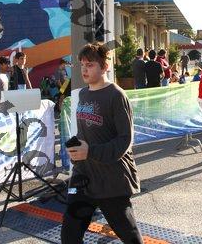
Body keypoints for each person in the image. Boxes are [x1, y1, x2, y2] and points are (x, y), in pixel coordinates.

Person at [61, 42, 143, 244]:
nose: (84, 69)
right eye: (82, 65)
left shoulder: (116, 95)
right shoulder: (83, 93)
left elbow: (125, 140)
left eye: (90, 65)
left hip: (111, 179)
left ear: (105, 67)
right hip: (83, 176)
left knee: (130, 236)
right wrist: (77, 152)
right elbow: (84, 132)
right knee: (70, 235)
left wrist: (90, 151)